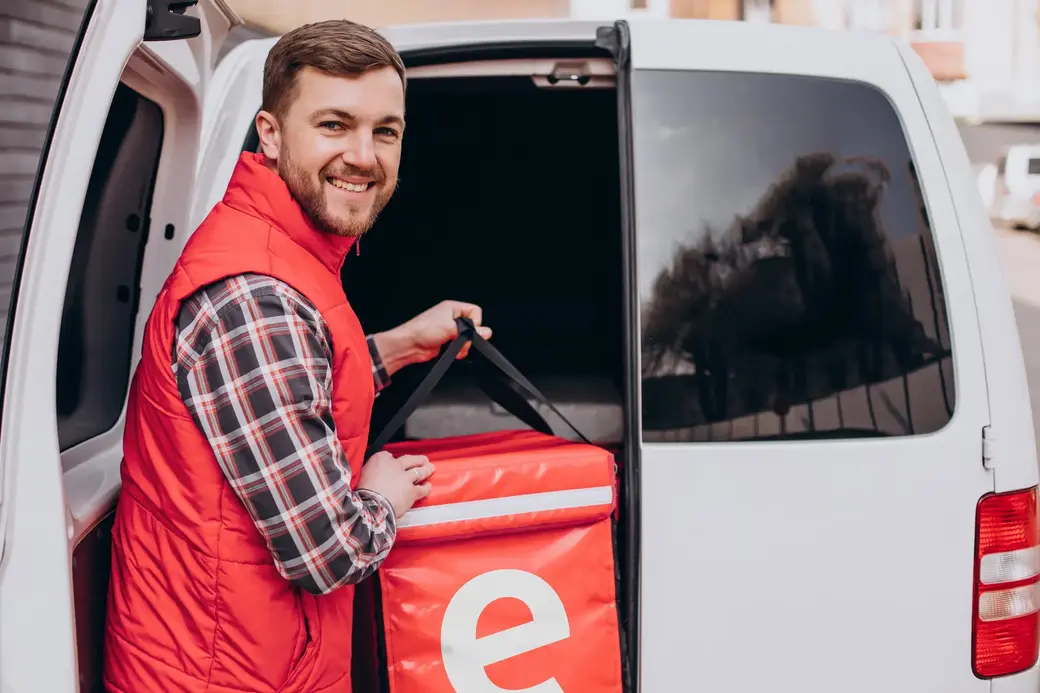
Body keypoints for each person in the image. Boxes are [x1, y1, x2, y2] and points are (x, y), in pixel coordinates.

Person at [101, 19, 490, 693]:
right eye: (334, 125)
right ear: (271, 135)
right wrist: (382, 496)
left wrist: (398, 347)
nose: (364, 155)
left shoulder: (283, 260)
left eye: (385, 131)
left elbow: (290, 395)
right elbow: (326, 549)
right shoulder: (254, 297)